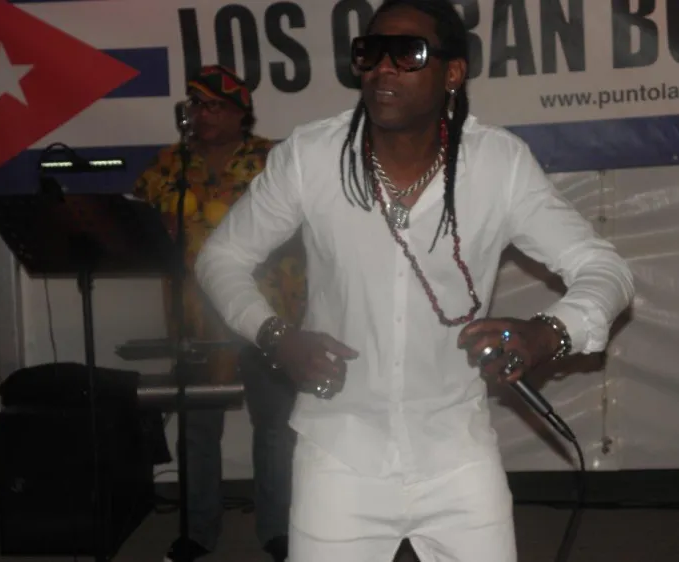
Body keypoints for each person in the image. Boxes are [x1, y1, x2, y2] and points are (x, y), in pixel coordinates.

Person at [194, 1, 636, 561]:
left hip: (458, 457)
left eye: (408, 53)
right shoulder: (312, 157)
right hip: (339, 456)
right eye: (371, 52)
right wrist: (275, 336)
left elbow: (606, 270)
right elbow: (221, 257)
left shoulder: (497, 164)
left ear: (453, 72)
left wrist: (549, 333)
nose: (383, 67)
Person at [133, 65, 305, 562]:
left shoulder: (273, 160)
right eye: (196, 104)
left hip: (267, 314)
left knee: (274, 427)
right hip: (196, 318)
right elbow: (142, 220)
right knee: (198, 429)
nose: (203, 114)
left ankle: (277, 532)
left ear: (240, 113)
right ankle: (198, 531)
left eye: (214, 105)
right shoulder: (169, 164)